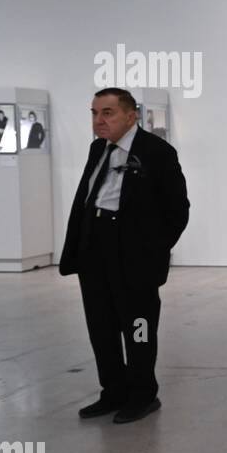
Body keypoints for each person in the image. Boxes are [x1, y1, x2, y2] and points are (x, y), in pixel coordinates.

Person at [59, 87, 189, 423]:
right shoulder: (97, 149)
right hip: (94, 248)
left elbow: (178, 210)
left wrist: (153, 251)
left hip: (133, 254)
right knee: (101, 325)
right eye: (94, 113)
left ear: (131, 116)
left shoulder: (157, 152)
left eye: (107, 113)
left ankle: (143, 394)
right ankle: (113, 391)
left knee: (138, 327)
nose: (98, 120)